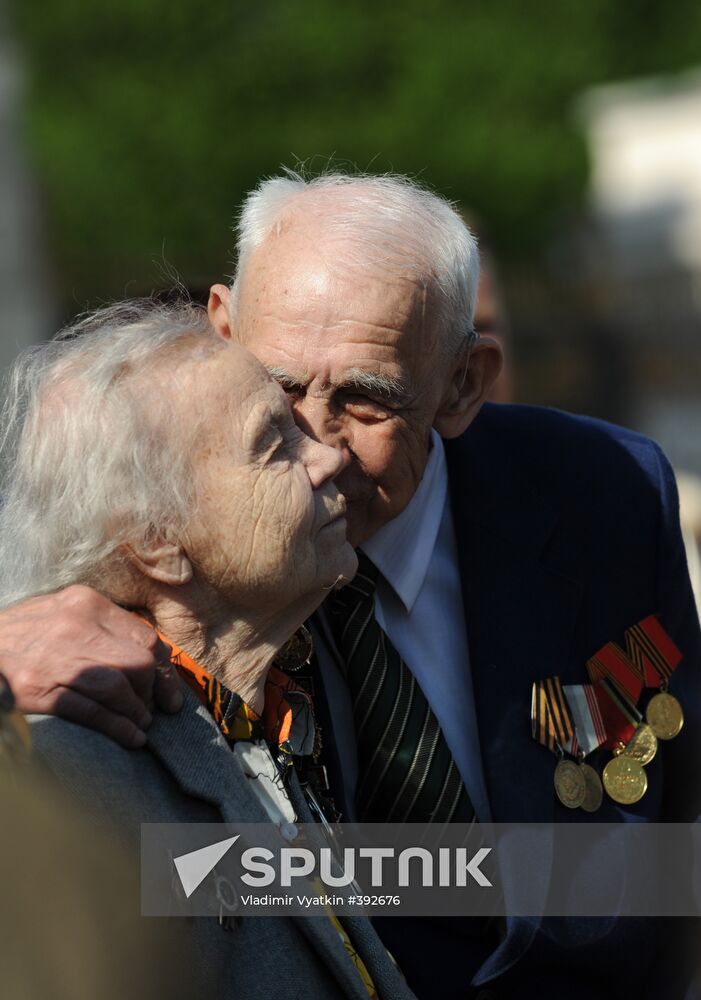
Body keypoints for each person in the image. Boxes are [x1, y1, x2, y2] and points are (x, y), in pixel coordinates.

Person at [1, 172, 700, 999]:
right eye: (278, 389)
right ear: (220, 328)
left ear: (463, 382)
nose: (321, 443)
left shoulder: (597, 492)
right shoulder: (152, 543)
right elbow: (146, 877)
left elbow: (670, 849)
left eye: (367, 401)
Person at [0, 299, 413, 1000]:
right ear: (157, 544)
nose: (329, 454)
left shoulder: (266, 714)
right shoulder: (68, 772)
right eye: (274, 442)